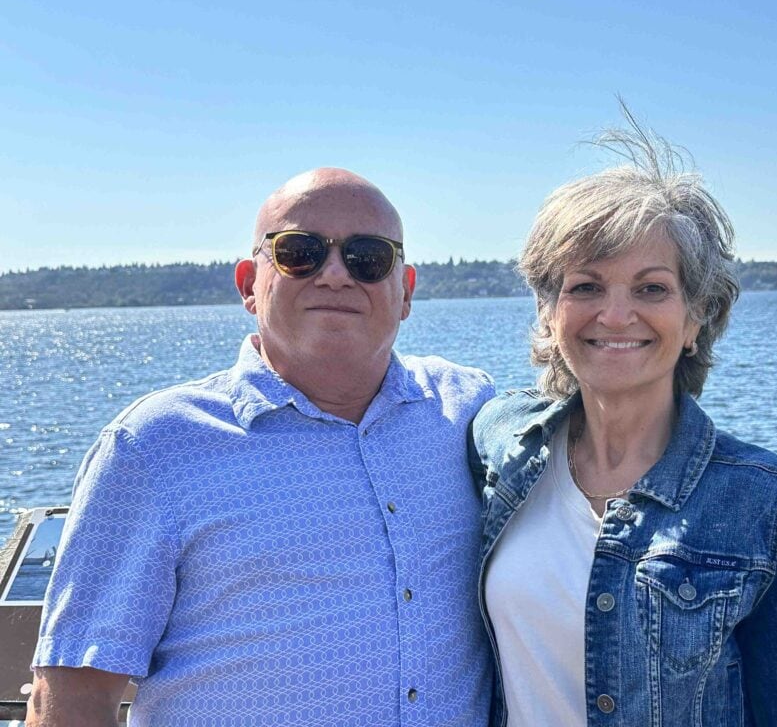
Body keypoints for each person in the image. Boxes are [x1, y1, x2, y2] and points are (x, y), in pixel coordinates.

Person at [28, 168, 495, 726]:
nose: (335, 275)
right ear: (250, 284)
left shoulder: (466, 407)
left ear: (406, 292)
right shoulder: (155, 447)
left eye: (368, 257)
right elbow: (75, 694)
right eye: (300, 252)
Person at [470, 117, 777, 726]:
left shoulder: (770, 506)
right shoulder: (504, 442)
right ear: (549, 312)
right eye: (586, 286)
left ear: (696, 318)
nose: (617, 314)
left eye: (652, 289)